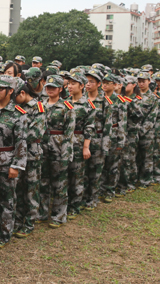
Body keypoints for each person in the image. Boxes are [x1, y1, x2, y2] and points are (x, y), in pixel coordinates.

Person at [0, 75, 28, 248]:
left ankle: (4, 233)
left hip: (7, 162)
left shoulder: (18, 114)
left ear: (10, 91)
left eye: (0, 88)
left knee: (7, 200)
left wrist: (16, 165)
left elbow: (21, 142)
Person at [37, 75, 75, 228]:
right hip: (43, 146)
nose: (50, 90)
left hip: (58, 147)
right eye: (48, 87)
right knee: (43, 181)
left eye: (53, 87)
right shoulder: (41, 105)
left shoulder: (67, 107)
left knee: (59, 183)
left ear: (60, 89)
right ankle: (42, 212)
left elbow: (69, 133)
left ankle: (58, 215)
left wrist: (66, 154)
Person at [12, 77, 47, 237]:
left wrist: (15, 137)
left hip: (32, 154)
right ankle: (18, 219)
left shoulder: (38, 107)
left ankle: (29, 222)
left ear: (23, 93)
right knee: (18, 189)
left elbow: (35, 133)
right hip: (17, 155)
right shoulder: (17, 108)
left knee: (31, 189)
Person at [64, 71, 95, 220]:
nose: (69, 86)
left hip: (78, 142)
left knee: (77, 176)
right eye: (68, 84)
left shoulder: (88, 105)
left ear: (82, 86)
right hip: (64, 143)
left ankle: (75, 205)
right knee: (64, 175)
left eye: (73, 84)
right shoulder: (64, 102)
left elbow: (89, 127)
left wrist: (86, 147)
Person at [82, 69, 111, 211]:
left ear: (99, 84)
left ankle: (92, 198)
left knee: (95, 172)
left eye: (91, 82)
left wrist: (105, 146)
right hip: (82, 140)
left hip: (98, 140)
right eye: (86, 81)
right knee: (82, 172)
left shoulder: (105, 101)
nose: (88, 84)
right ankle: (81, 197)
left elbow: (108, 125)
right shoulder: (81, 100)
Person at [99, 74, 127, 203]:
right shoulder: (99, 98)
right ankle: (100, 188)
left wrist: (121, 139)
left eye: (108, 83)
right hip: (101, 135)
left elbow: (122, 121)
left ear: (115, 85)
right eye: (103, 83)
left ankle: (110, 190)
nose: (104, 85)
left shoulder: (120, 100)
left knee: (113, 164)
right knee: (101, 163)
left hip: (114, 134)